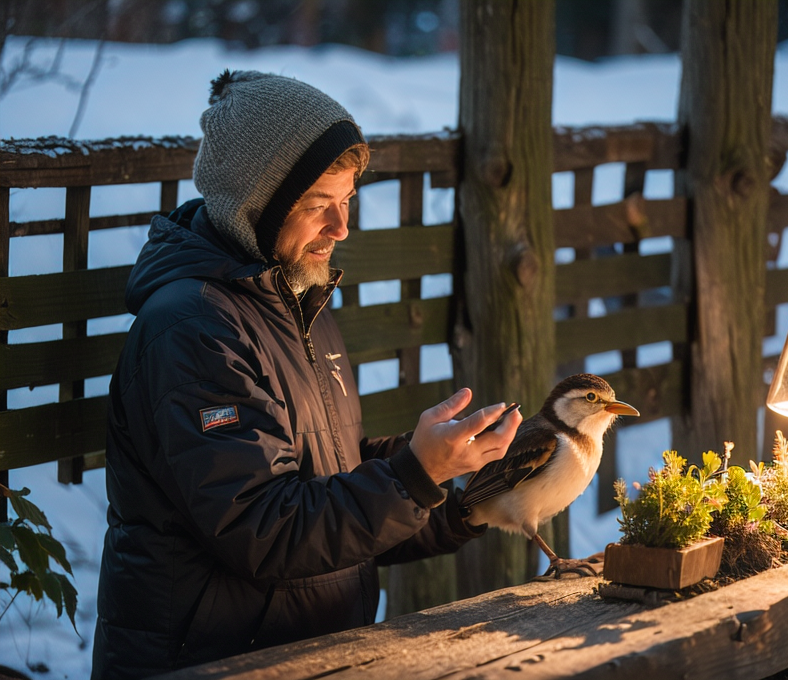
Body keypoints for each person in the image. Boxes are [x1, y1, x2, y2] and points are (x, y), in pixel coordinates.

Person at [92, 70, 522, 679]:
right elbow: (264, 528)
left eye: (347, 201)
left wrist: (457, 498)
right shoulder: (190, 330)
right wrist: (414, 477)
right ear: (253, 204)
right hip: (213, 662)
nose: (342, 228)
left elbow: (332, 483)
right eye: (319, 205)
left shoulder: (297, 298)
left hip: (310, 654)